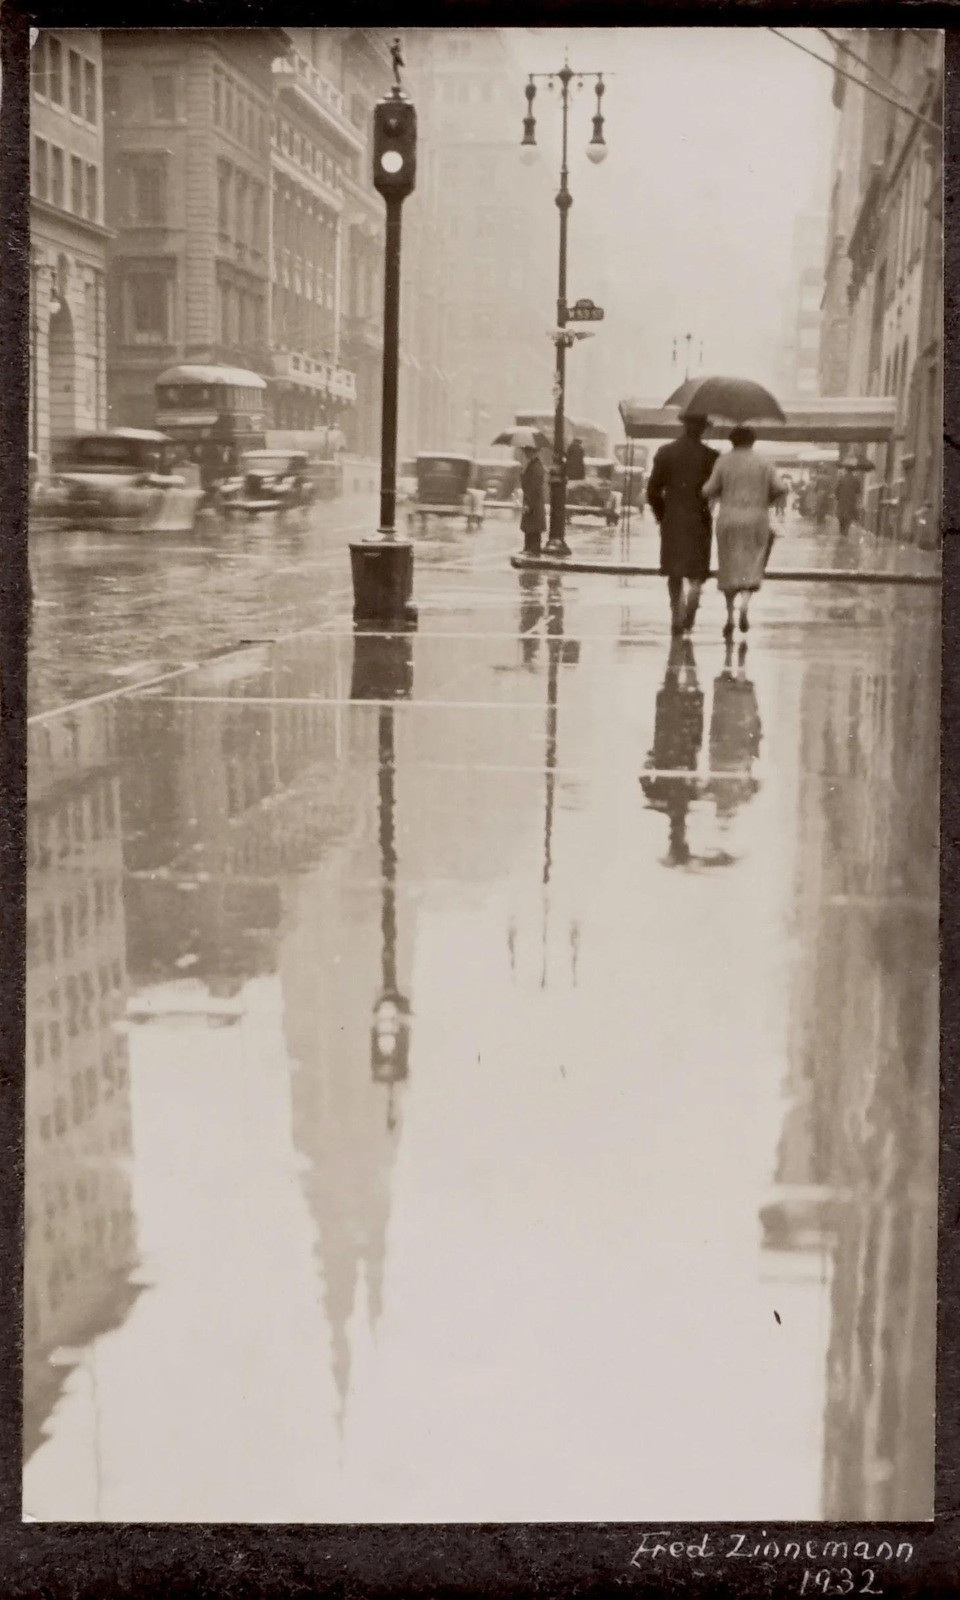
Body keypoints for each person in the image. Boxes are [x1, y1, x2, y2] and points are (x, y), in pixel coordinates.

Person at [702, 425, 787, 638]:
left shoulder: (723, 461)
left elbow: (708, 490)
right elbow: (780, 488)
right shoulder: (764, 462)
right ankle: (745, 605)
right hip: (757, 520)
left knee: (729, 566)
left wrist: (723, 491)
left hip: (729, 519)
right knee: (752, 565)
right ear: (752, 441)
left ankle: (730, 615)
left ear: (732, 441)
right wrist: (766, 497)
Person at [646, 413, 718, 635]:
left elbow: (652, 491)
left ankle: (676, 613)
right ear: (703, 429)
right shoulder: (711, 456)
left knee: (674, 572)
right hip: (699, 517)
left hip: (674, 518)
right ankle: (692, 606)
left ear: (684, 426)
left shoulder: (666, 452)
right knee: (696, 572)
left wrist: (662, 514)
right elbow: (714, 490)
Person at [519, 443, 547, 555]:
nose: (526, 453)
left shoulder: (535, 467)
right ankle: (529, 548)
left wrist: (528, 503)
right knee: (530, 526)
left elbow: (534, 487)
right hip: (532, 501)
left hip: (533, 502)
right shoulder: (532, 465)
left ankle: (532, 549)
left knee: (533, 526)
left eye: (527, 451)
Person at [835, 464, 862, 537]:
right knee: (849, 517)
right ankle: (845, 531)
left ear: (846, 470)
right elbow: (858, 491)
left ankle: (842, 531)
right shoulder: (856, 479)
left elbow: (836, 490)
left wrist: (838, 498)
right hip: (851, 501)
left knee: (841, 516)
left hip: (842, 501)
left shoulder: (841, 479)